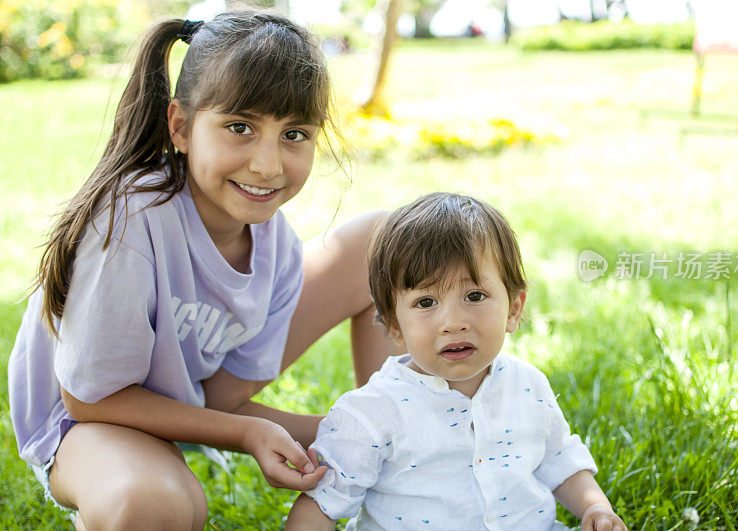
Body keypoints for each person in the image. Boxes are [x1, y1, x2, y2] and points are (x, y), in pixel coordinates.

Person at [8, 10, 400, 530]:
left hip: (182, 394)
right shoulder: (131, 220)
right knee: (158, 506)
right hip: (84, 420)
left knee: (392, 243)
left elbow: (222, 400)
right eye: (240, 127)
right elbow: (88, 397)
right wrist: (243, 434)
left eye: (295, 134)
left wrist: (361, 431)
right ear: (181, 127)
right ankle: (119, 480)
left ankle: (406, 452)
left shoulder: (275, 244)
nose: (267, 164)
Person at [286, 193, 628, 530]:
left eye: (474, 296)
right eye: (425, 302)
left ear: (513, 308)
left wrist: (594, 507)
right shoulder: (372, 412)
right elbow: (320, 504)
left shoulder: (528, 385)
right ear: (393, 324)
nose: (452, 321)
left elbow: (560, 460)